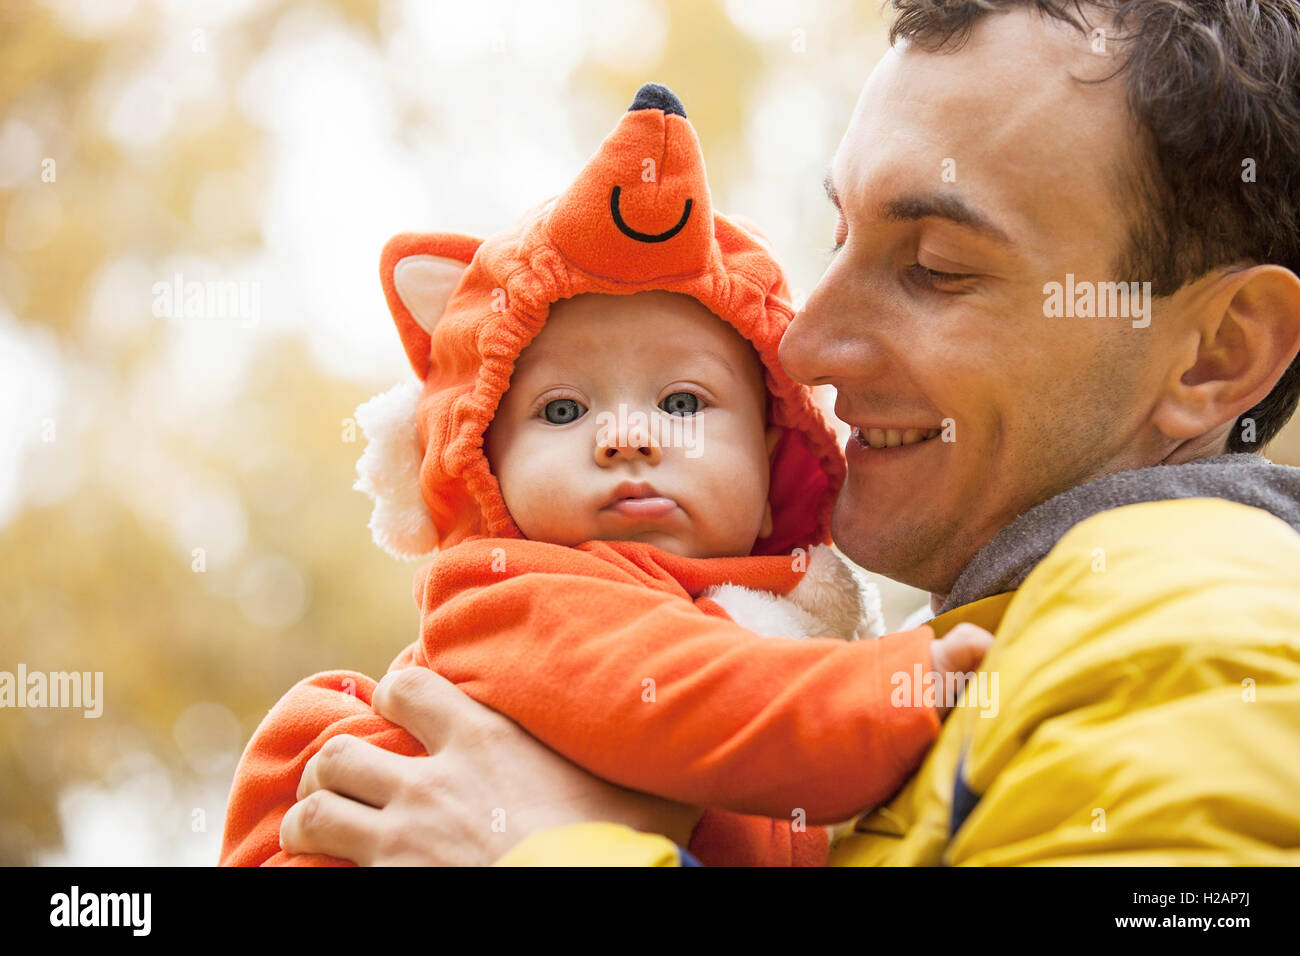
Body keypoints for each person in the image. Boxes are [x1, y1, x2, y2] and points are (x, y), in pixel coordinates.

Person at [277, 0, 1300, 866]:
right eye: (839, 235)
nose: (802, 346)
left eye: (935, 266)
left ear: (1215, 354)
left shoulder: (1200, 643)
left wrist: (545, 846)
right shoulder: (995, 654)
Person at [220, 83, 993, 867]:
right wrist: (899, 690)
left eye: (683, 402)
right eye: (562, 412)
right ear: (488, 474)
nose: (626, 438)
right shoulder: (517, 595)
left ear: (773, 464)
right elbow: (683, 696)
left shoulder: (765, 618)